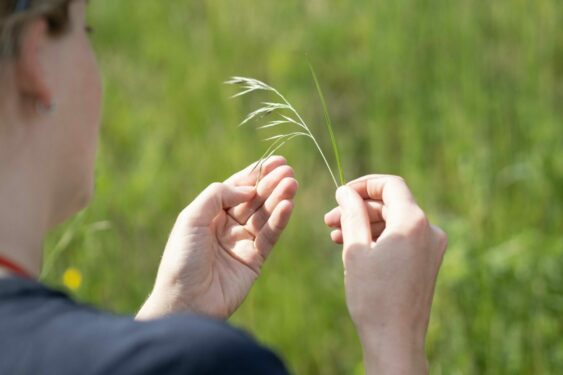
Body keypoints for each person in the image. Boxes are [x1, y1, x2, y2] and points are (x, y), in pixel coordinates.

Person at [0, 0, 448, 374]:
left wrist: (169, 314)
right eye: (88, 32)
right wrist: (395, 340)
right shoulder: (208, 365)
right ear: (38, 59)